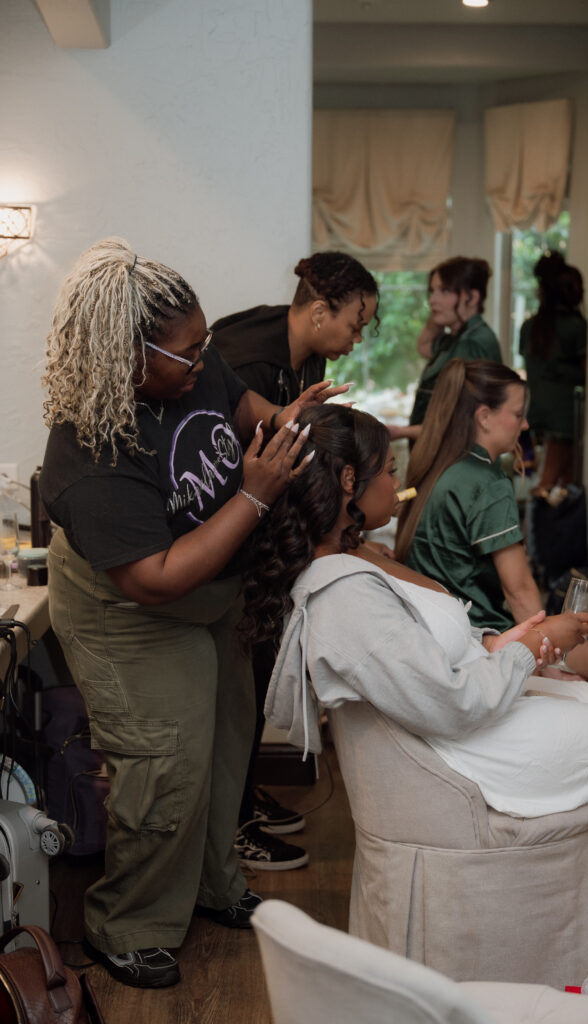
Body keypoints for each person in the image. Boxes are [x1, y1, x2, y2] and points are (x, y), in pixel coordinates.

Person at [241, 402, 588, 952]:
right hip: (472, 747)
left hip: (479, 713)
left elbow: (427, 656)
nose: (399, 483)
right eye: (391, 470)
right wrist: (529, 652)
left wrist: (500, 645)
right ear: (349, 480)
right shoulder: (344, 596)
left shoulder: (359, 556)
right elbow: (450, 704)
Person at [39, 238, 347, 989]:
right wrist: (254, 495)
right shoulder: (89, 452)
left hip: (214, 584)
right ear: (127, 355)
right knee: (165, 763)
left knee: (226, 742)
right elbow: (156, 579)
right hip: (132, 611)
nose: (204, 359)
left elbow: (238, 404)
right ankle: (129, 922)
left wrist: (284, 418)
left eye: (204, 342)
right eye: (187, 352)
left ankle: (212, 884)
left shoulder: (192, 359)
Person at [210, 251, 379, 870]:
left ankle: (240, 798)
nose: (356, 339)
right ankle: (229, 826)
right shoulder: (247, 358)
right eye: (355, 324)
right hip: (223, 539)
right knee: (240, 686)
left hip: (261, 536)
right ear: (319, 311)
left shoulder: (306, 357)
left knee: (254, 677)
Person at [394, 359, 588, 692]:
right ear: (484, 417)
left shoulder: (436, 465)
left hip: (435, 631)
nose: (525, 425)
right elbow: (520, 589)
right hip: (481, 635)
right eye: (517, 414)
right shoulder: (488, 482)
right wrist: (548, 656)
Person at [391, 257, 501, 443]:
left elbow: (462, 422)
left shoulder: (473, 343)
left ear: (472, 297)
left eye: (444, 291)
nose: (432, 300)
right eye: (432, 291)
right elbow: (423, 346)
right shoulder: (457, 337)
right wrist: (439, 313)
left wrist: (402, 432)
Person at [519, 250, 587, 493]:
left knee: (560, 485)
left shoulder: (530, 327)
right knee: (547, 486)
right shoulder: (576, 327)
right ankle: (532, 520)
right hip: (565, 418)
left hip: (537, 412)